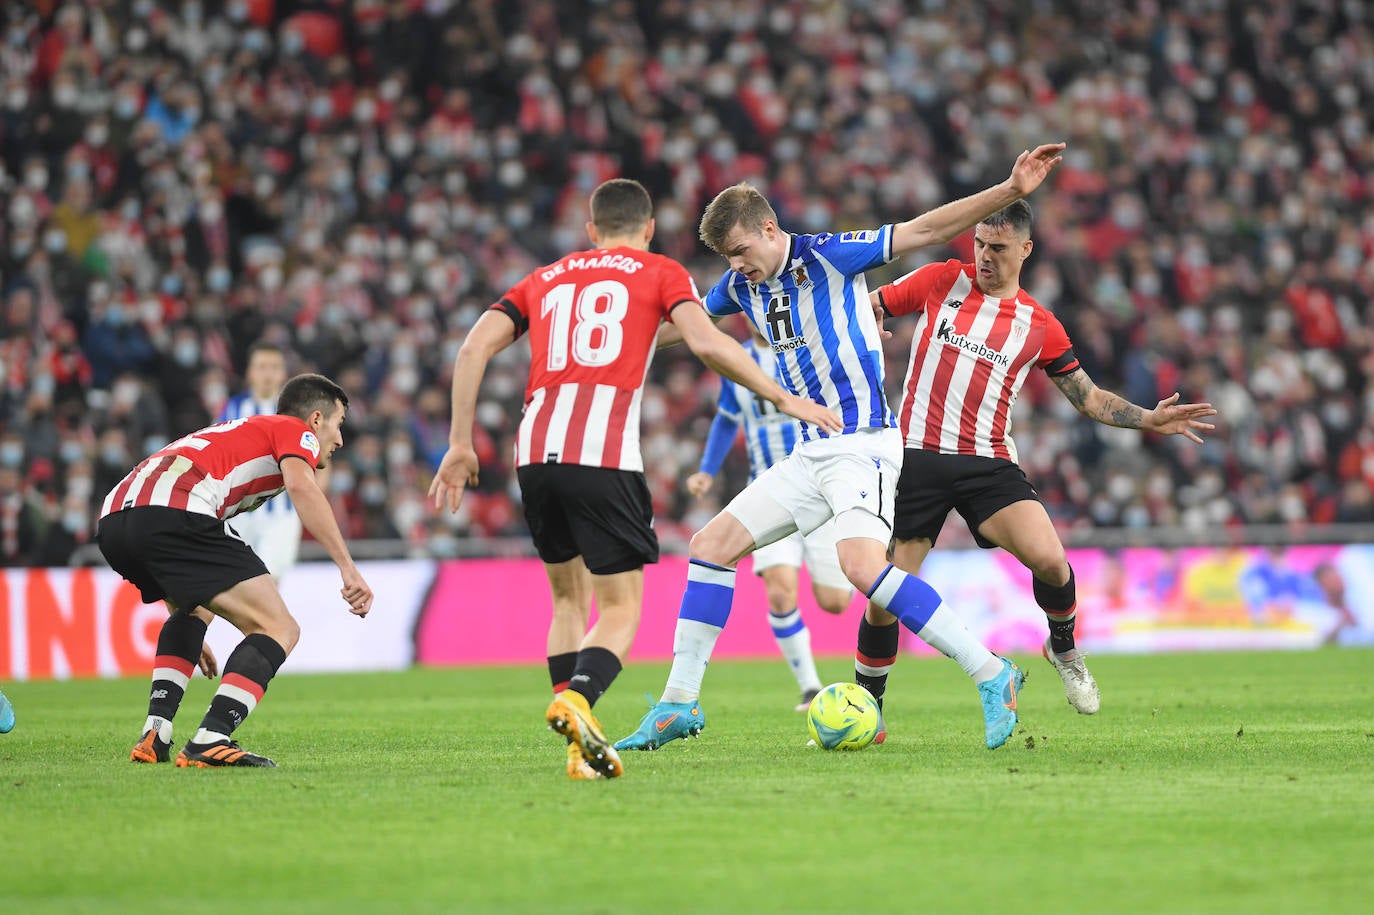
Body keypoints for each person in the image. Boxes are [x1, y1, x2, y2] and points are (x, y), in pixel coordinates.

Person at [615, 144, 1067, 754]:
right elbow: (681, 331)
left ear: (770, 230)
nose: (737, 266)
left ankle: (992, 673)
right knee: (710, 548)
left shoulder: (828, 256)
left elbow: (927, 228)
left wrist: (1010, 189)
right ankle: (677, 704)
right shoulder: (736, 287)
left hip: (864, 446)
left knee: (861, 570)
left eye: (742, 251)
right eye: (728, 258)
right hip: (810, 452)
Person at [428, 178, 840, 779]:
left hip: (535, 452)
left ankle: (577, 745)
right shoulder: (659, 271)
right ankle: (575, 703)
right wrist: (781, 396)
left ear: (591, 231)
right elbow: (705, 341)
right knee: (620, 611)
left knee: (568, 600)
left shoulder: (542, 280)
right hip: (604, 457)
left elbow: (472, 349)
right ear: (648, 229)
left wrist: (460, 443)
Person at [854, 199, 1216, 719]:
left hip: (988, 462)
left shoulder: (1039, 324)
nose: (983, 256)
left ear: (1025, 250)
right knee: (885, 591)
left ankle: (1064, 650)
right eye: (979, 243)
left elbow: (1087, 397)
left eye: (997, 248)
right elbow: (869, 304)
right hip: (915, 456)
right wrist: (870, 320)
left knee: (1049, 559)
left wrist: (1148, 419)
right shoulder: (939, 279)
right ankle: (869, 705)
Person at [100, 373, 373, 768]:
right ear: (316, 419)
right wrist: (348, 568)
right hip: (176, 511)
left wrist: (186, 627)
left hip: (115, 519)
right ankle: (212, 738)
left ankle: (155, 731)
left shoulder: (237, 430)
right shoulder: (295, 431)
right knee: (278, 628)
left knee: (193, 612)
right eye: (339, 425)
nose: (340, 439)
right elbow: (302, 487)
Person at [685, 323, 854, 711]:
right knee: (779, 592)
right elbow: (727, 419)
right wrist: (708, 471)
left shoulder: (804, 350)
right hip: (769, 494)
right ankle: (810, 688)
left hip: (817, 487)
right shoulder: (738, 361)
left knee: (834, 601)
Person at [218, 342, 304, 582]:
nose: (268, 374)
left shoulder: (298, 411)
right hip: (240, 513)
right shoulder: (233, 407)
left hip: (281, 514)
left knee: (269, 582)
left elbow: (322, 461)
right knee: (239, 585)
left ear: (283, 373)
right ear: (250, 372)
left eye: (274, 367)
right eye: (262, 367)